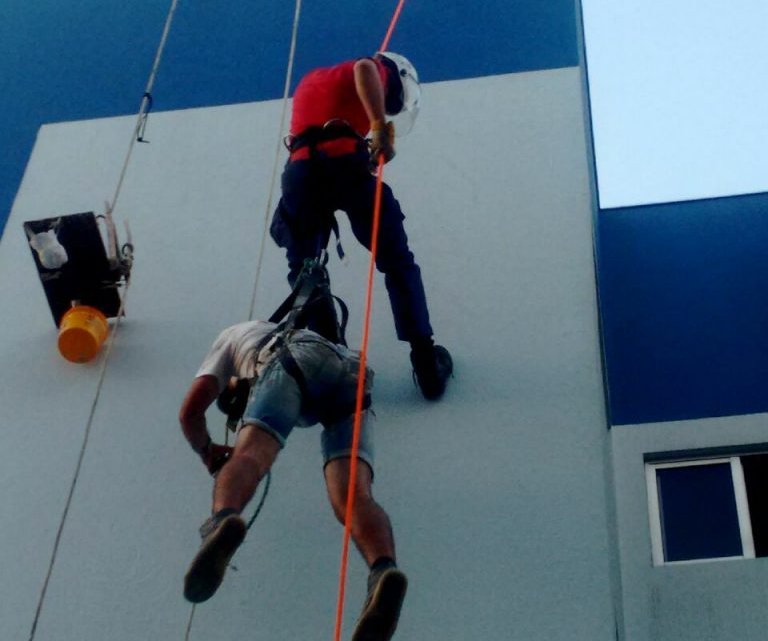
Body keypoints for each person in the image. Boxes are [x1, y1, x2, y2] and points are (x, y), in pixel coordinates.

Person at [178, 317, 407, 641]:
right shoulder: (278, 329)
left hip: (294, 356)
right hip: (352, 372)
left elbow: (190, 413)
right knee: (353, 498)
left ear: (233, 385)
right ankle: (382, 570)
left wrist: (208, 453)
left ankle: (222, 520)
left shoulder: (230, 340)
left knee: (250, 455)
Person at [269, 51, 453, 400]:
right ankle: (426, 361)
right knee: (397, 260)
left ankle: (329, 360)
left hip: (300, 173)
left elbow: (323, 140)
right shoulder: (374, 67)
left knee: (306, 272)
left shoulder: (314, 81)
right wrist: (380, 128)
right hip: (342, 164)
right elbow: (365, 68)